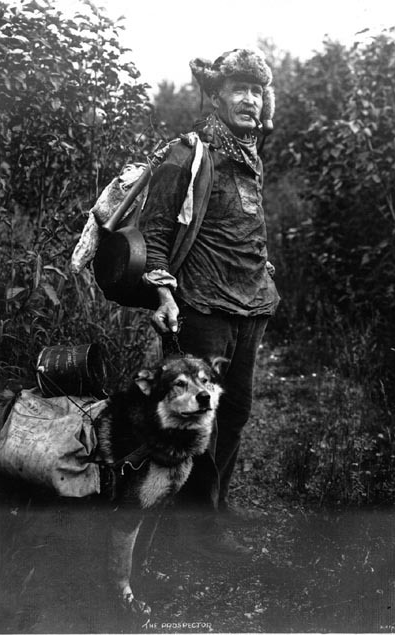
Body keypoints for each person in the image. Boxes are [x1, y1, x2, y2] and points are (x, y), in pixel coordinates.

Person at [139, 49, 280, 557]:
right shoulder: (189, 152)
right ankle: (196, 528)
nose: (248, 98)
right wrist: (163, 292)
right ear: (216, 96)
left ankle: (209, 506)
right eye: (238, 89)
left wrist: (261, 267)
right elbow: (156, 229)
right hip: (202, 305)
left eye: (256, 90)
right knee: (200, 414)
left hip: (251, 305)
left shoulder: (249, 152)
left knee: (236, 410)